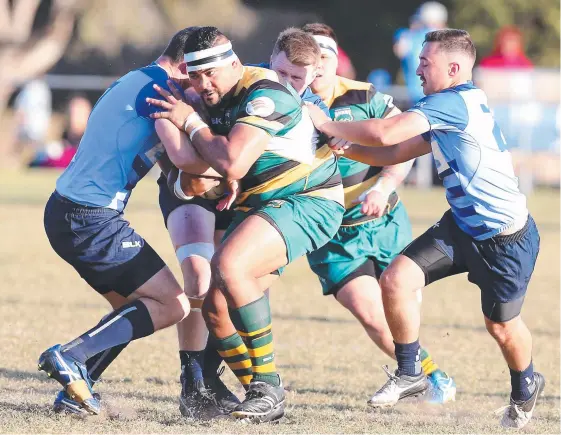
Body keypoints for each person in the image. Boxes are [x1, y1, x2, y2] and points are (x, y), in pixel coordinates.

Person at [307, 29, 543, 429]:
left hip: (506, 241)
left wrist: (327, 124)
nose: (417, 68)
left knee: (501, 327)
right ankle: (410, 371)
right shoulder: (450, 104)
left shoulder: (451, 102)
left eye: (425, 62)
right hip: (462, 227)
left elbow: (385, 132)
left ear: (453, 68)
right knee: (397, 279)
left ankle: (525, 385)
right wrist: (345, 148)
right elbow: (398, 150)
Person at [147, 26, 345, 423]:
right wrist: (187, 175)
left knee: (229, 266)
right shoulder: (207, 94)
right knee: (215, 308)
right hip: (262, 204)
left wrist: (191, 125)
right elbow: (190, 168)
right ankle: (257, 391)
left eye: (211, 74)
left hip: (308, 199)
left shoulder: (265, 93)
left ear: (235, 63)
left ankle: (267, 387)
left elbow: (232, 161)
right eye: (196, 75)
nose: (204, 84)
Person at [36, 27, 219, 416]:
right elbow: (187, 162)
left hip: (66, 212)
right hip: (92, 218)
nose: (206, 82)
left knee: (130, 311)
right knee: (172, 305)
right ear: (186, 65)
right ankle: (69, 356)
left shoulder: (138, 79)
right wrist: (226, 160)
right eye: (203, 71)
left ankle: (75, 390)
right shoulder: (163, 91)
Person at [301, 22, 456, 405]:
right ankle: (432, 375)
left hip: (384, 222)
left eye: (327, 56)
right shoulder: (284, 105)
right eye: (313, 57)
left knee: (402, 305)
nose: (320, 65)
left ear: (338, 61)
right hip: (332, 236)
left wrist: (383, 186)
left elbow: (400, 148)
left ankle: (416, 370)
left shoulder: (364, 96)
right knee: (372, 315)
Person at [393, 1, 448, 105]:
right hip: (440, 94)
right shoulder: (447, 39)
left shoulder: (408, 36)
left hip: (417, 95)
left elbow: (399, 50)